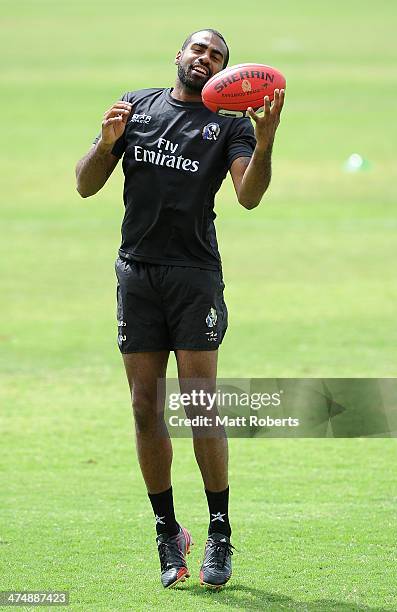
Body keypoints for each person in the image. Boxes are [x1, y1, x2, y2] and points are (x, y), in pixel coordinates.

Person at [75, 28, 285, 589]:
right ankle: (169, 533)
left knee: (199, 406)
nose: (205, 58)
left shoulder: (230, 125)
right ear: (179, 54)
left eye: (216, 56)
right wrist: (104, 142)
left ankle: (220, 534)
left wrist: (264, 143)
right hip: (136, 272)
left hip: (193, 275)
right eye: (199, 49)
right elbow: (85, 185)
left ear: (224, 72)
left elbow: (249, 195)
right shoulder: (137, 105)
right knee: (146, 407)